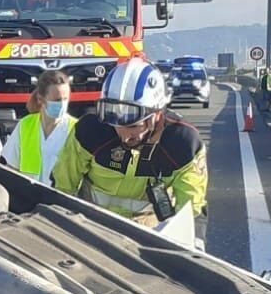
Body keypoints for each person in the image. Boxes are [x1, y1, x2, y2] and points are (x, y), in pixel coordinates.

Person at [51, 60, 207, 228]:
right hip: (92, 228)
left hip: (148, 235)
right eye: (116, 125)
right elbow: (61, 189)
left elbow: (191, 213)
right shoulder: (89, 132)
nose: (124, 136)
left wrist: (191, 248)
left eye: (133, 126)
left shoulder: (183, 144)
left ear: (155, 114)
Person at [6, 68, 76, 185]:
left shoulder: (76, 129)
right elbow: (10, 168)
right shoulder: (25, 125)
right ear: (40, 99)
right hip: (29, 198)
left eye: (65, 99)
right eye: (57, 100)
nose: (62, 105)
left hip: (62, 200)